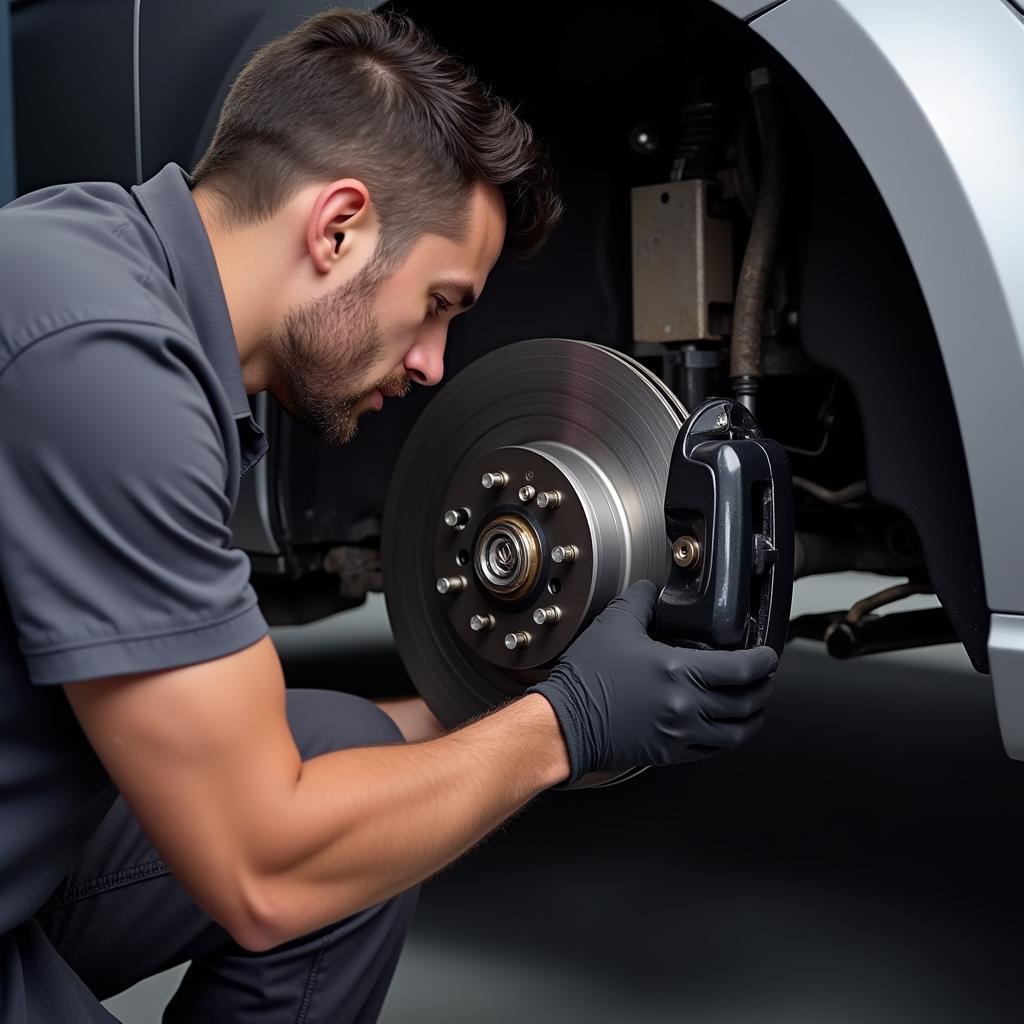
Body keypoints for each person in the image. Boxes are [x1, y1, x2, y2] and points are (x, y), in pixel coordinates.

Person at [0, 9, 778, 1022]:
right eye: (439, 304)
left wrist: (517, 697)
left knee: (354, 752)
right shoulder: (106, 369)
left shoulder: (105, 265)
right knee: (313, 856)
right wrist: (569, 722)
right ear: (337, 227)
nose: (432, 364)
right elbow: (264, 869)